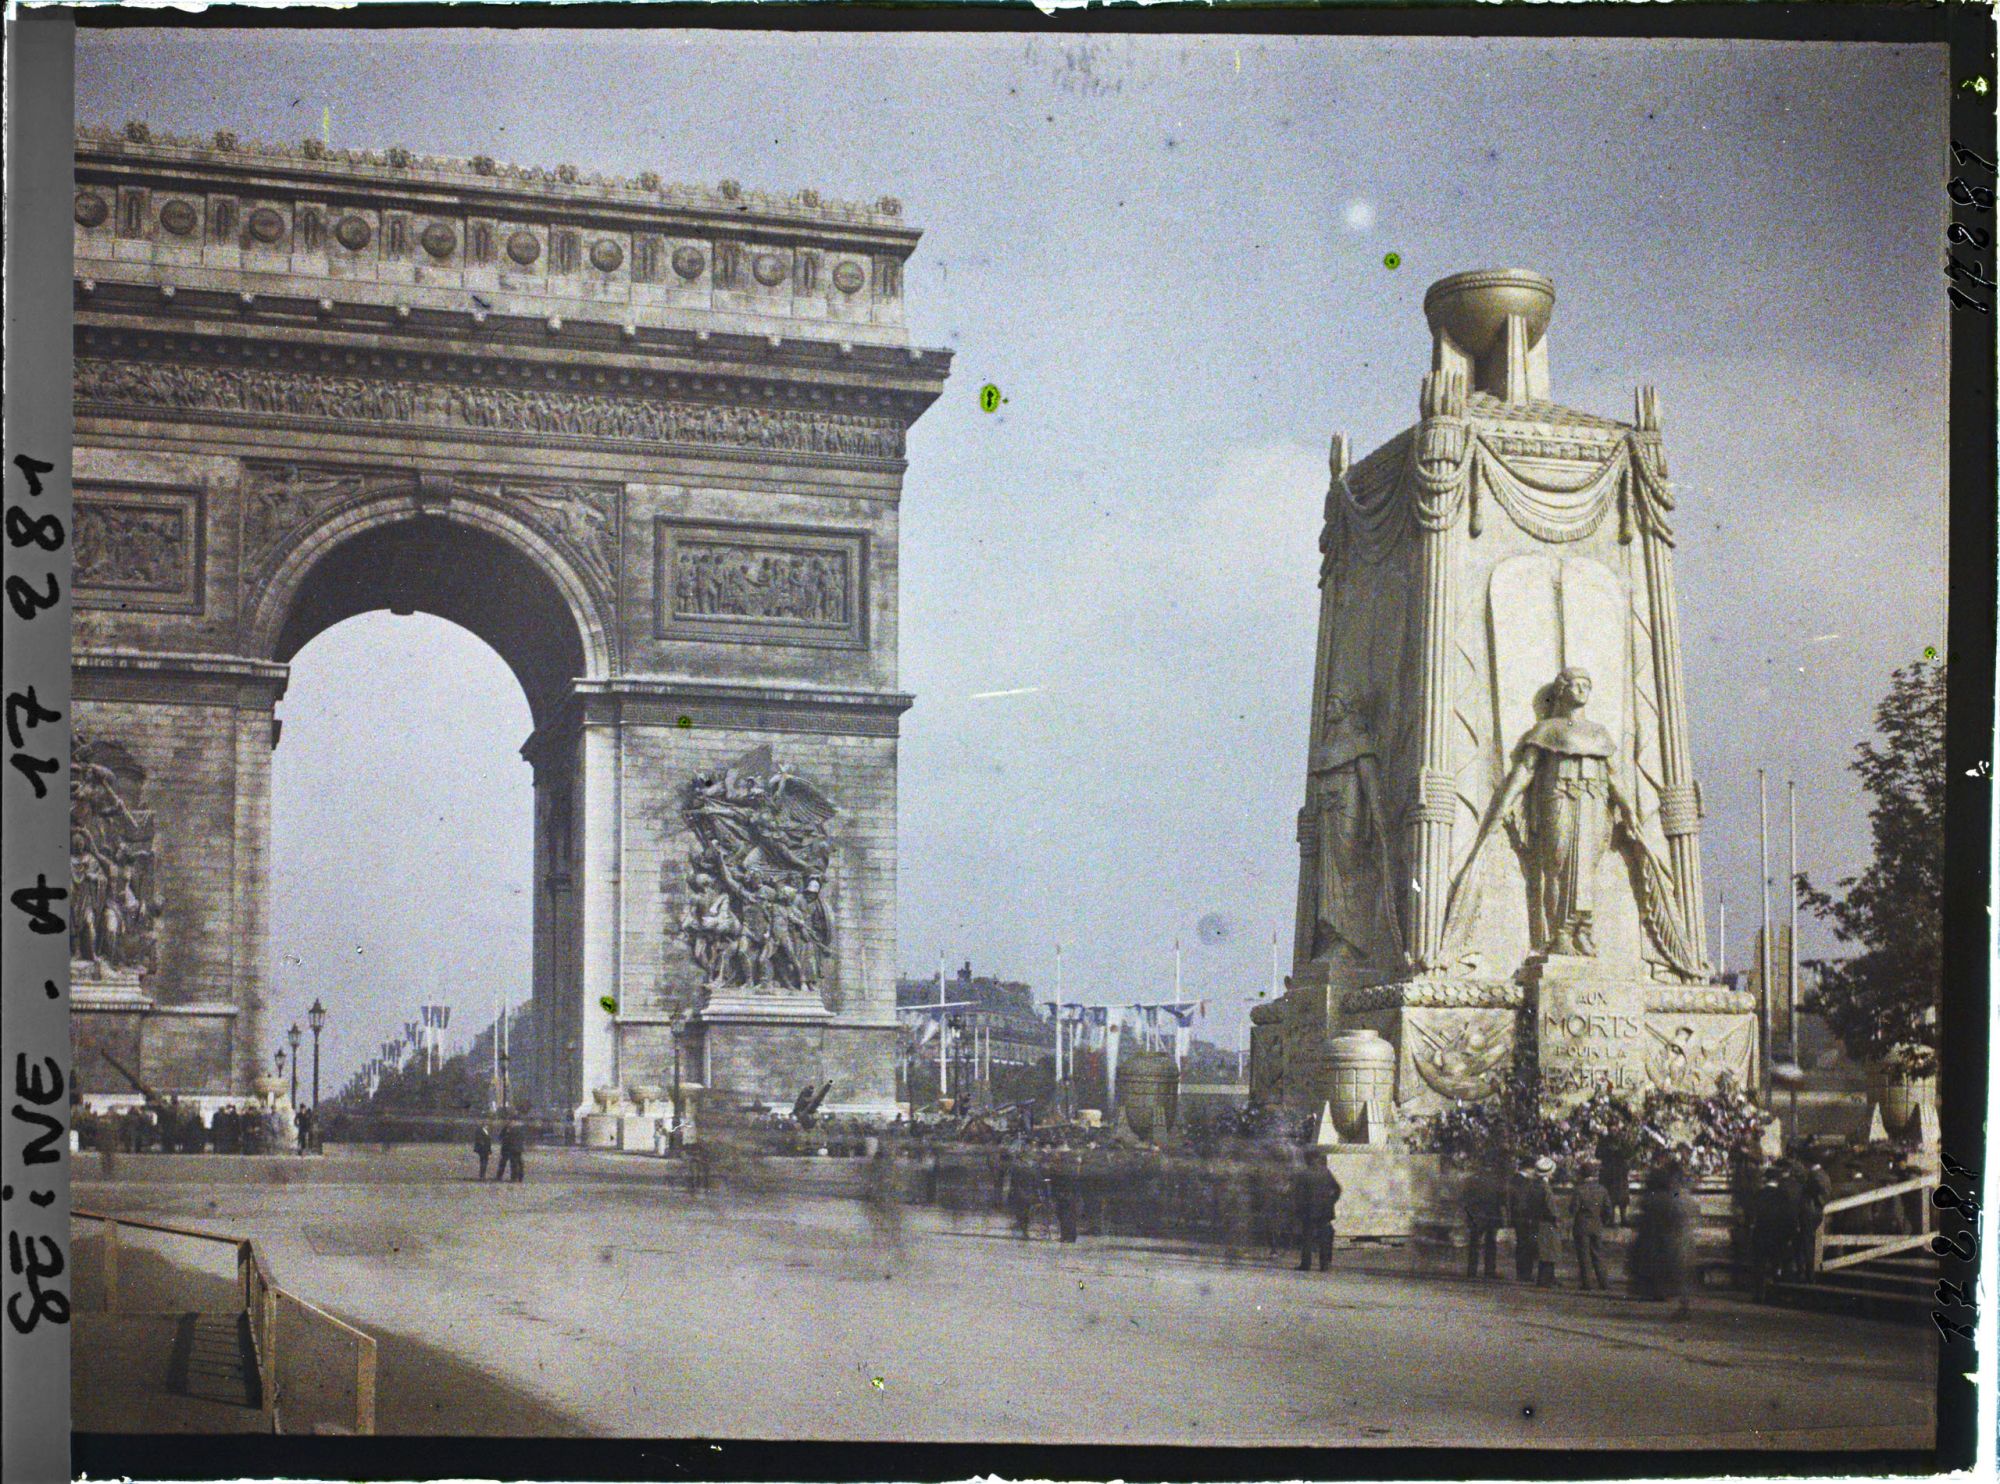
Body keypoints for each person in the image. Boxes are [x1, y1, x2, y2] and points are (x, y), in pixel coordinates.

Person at [1293, 1152, 1342, 1273]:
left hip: (1308, 1211)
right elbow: (1338, 1189)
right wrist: (1331, 1201)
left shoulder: (1303, 1174)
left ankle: (1306, 1264)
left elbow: (1297, 1194)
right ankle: (1324, 1265)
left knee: (1307, 1238)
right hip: (1325, 1210)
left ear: (1308, 1160)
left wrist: (1299, 1208)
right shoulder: (1326, 1172)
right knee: (1324, 1239)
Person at [1571, 1160, 1613, 1291]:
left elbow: (1573, 1209)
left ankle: (1587, 1283)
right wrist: (1603, 1220)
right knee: (1598, 1254)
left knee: (1584, 1256)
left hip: (1582, 1225)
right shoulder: (1602, 1190)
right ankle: (1604, 1282)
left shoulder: (1579, 1190)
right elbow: (1608, 1209)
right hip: (1596, 1224)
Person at [1461, 1162, 1505, 1279]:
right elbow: (1502, 1199)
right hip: (1491, 1215)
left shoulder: (1470, 1180)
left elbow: (1465, 1198)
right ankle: (1489, 1271)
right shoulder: (1497, 1180)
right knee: (1491, 1243)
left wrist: (1469, 1213)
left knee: (1474, 1243)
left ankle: (1472, 1271)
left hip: (1475, 1215)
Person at [1525, 1156, 1562, 1287]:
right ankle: (1546, 1279)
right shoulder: (1545, 1188)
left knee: (1543, 1252)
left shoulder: (1533, 1186)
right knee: (1549, 1252)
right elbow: (1551, 1207)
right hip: (1547, 1223)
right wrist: (1557, 1218)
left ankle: (1545, 1278)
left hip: (1537, 1221)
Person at [1507, 1159, 1538, 1281]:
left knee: (1522, 1244)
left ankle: (1523, 1272)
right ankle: (1525, 1273)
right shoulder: (1523, 1182)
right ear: (1529, 1169)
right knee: (1525, 1245)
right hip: (1524, 1217)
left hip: (1519, 1217)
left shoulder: (1515, 1180)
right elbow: (1521, 1201)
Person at [1598, 1135, 1632, 1228]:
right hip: (1609, 1173)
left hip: (1620, 1173)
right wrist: (1608, 1151)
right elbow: (1598, 1154)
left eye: (1615, 1126)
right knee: (1610, 1198)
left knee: (1623, 1197)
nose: (1613, 1129)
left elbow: (1629, 1153)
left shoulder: (1623, 1140)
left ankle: (1623, 1218)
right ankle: (1611, 1219)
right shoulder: (1604, 1141)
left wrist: (1619, 1151)